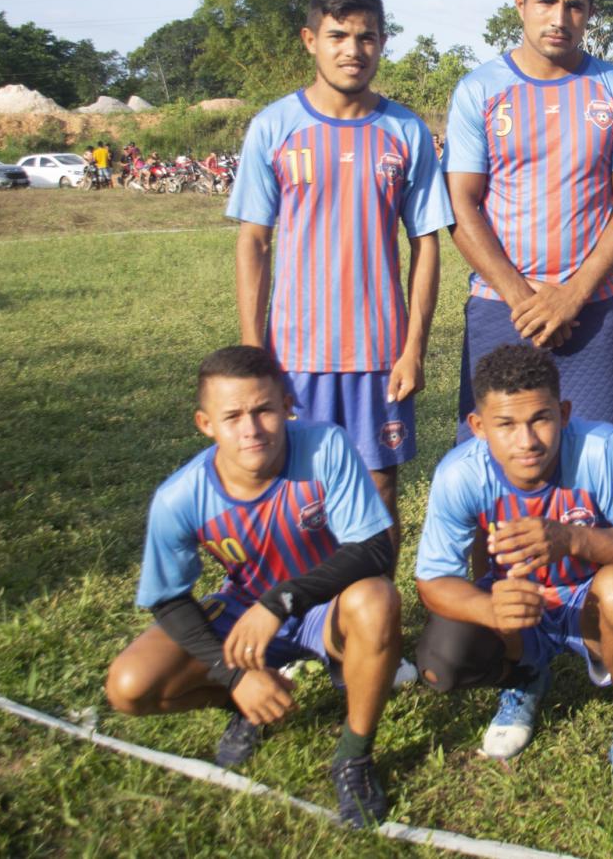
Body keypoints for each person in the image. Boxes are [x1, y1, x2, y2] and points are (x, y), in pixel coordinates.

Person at [104, 345, 402, 828]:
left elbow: (374, 550)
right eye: (233, 416)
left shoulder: (326, 445)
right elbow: (168, 599)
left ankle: (354, 756)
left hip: (325, 609)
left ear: (287, 405)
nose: (251, 429)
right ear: (206, 424)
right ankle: (246, 701)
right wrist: (234, 673)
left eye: (264, 409)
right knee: (128, 688)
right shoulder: (179, 497)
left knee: (377, 599)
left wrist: (281, 601)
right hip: (245, 618)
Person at [229, 0, 452, 544]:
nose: (353, 51)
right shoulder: (274, 128)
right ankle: (303, 624)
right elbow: (254, 241)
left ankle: (370, 627)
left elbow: (426, 242)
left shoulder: (406, 131)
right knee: (298, 495)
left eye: (367, 37)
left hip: (380, 357)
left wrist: (413, 349)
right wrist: (256, 355)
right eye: (338, 36)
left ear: (382, 42)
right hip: (295, 356)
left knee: (379, 492)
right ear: (310, 40)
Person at [413, 343, 613, 817]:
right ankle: (523, 679)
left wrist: (575, 540)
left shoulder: (603, 448)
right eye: (506, 425)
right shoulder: (459, 473)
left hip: (590, 602)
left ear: (565, 413)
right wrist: (487, 610)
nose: (527, 440)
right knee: (441, 658)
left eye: (540, 419)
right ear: (478, 427)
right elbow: (433, 580)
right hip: (518, 602)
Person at [444, 0, 613, 441]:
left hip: (592, 309)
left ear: (589, 13)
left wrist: (572, 296)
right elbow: (461, 204)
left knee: (598, 464)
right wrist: (523, 298)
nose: (560, 17)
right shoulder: (479, 90)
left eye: (574, 5)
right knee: (494, 468)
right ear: (521, 5)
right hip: (501, 308)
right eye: (546, 2)